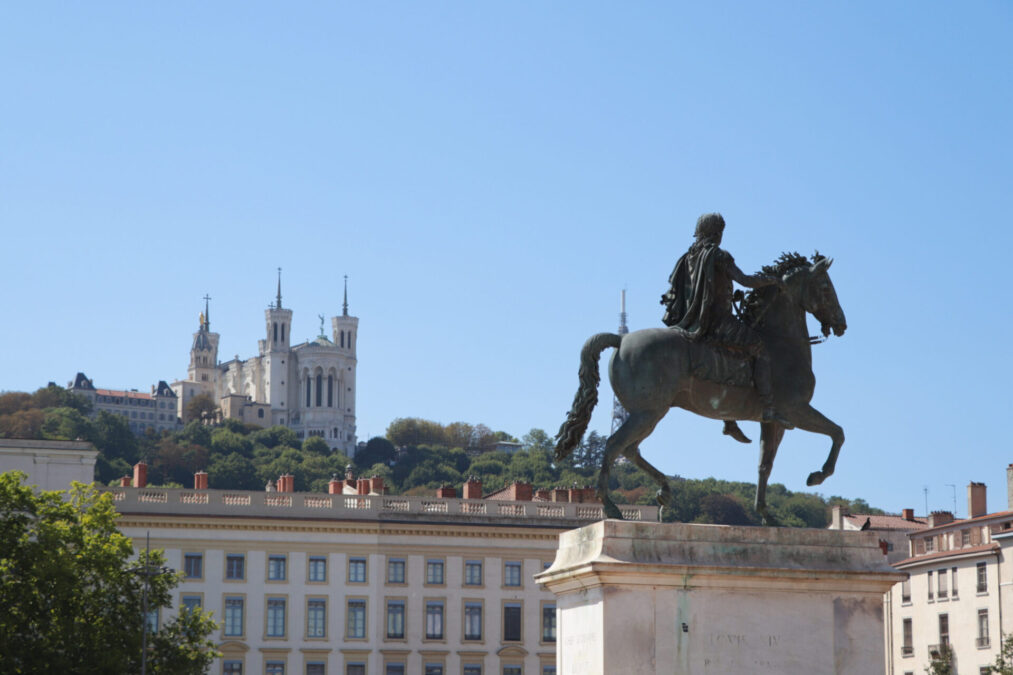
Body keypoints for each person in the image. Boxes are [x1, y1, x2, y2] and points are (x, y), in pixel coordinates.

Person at [661, 213, 793, 428]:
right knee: (759, 348)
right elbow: (745, 280)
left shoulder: (688, 257)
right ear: (717, 232)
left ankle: (729, 419)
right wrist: (773, 281)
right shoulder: (719, 255)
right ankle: (769, 408)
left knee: (731, 355)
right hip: (717, 321)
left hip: (691, 320)